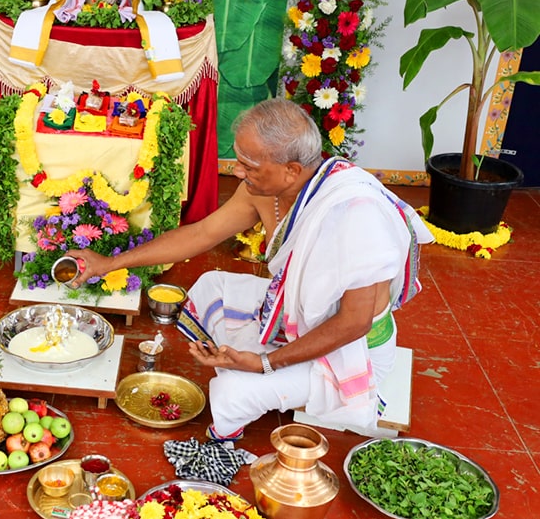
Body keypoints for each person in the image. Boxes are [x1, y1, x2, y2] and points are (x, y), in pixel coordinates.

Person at [68, 98, 433, 439]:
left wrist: (265, 364)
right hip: (296, 316)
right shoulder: (264, 189)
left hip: (349, 352)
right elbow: (202, 233)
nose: (238, 171)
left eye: (249, 165)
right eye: (239, 159)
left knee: (229, 392)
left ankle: (252, 376)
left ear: (291, 170)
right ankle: (247, 360)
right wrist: (110, 263)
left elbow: (354, 323)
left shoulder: (355, 212)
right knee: (211, 284)